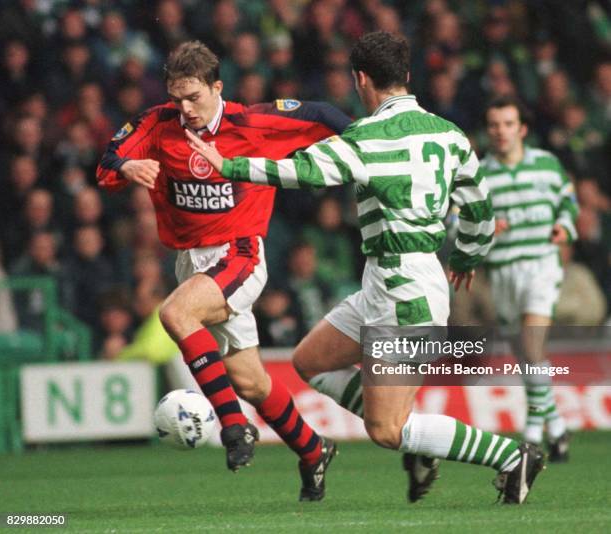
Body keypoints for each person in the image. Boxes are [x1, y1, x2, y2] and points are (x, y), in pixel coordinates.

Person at [188, 31, 545, 505]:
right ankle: (420, 436)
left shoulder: (365, 138)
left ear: (360, 80)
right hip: (391, 282)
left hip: (405, 293)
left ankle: (510, 456)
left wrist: (229, 166)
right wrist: (467, 256)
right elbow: (479, 210)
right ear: (407, 76)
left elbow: (301, 171)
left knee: (386, 430)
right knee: (309, 361)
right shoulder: (450, 134)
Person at [96, 40, 351, 500]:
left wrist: (368, 142)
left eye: (194, 97)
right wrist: (129, 165)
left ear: (217, 87)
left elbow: (319, 112)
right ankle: (313, 449)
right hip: (191, 262)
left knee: (175, 315)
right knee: (252, 382)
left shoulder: (250, 122)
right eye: (177, 98)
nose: (185, 108)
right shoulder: (157, 123)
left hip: (240, 253)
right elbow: (108, 161)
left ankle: (234, 428)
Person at [480, 95, 578, 461]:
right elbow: (456, 219)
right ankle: (557, 427)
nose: (501, 131)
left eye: (508, 124)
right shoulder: (479, 174)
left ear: (521, 128)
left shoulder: (547, 165)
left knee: (533, 345)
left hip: (540, 264)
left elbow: (568, 201)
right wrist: (485, 226)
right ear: (488, 130)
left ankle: (532, 434)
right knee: (526, 357)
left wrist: (564, 226)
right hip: (503, 272)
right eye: (494, 125)